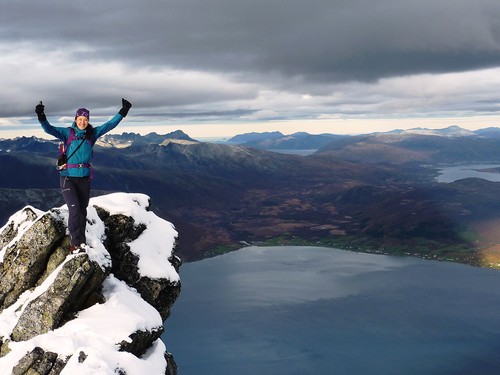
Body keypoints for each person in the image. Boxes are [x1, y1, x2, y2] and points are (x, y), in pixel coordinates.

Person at [35, 98, 132, 254]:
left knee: (83, 211)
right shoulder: (68, 133)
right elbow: (48, 129)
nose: (82, 122)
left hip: (84, 179)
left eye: (85, 119)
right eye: (80, 119)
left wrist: (123, 111)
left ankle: (81, 240)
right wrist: (41, 114)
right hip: (67, 178)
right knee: (74, 210)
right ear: (76, 119)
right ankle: (75, 244)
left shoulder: (92, 134)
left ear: (88, 121)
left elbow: (109, 125)